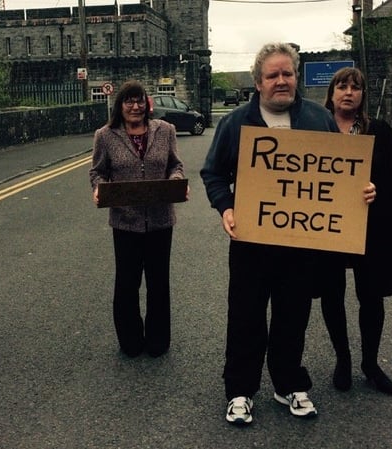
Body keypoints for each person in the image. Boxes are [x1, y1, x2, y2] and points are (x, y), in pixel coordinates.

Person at [200, 42, 376, 425]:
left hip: (301, 243)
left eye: (288, 73)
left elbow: (339, 174)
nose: (282, 81)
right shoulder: (235, 124)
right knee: (245, 317)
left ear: (296, 76)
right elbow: (213, 173)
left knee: (292, 316)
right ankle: (240, 392)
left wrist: (361, 191)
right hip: (251, 240)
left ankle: (289, 384)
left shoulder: (318, 119)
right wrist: (225, 207)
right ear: (258, 82)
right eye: (273, 75)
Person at [319, 66, 392, 395]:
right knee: (331, 293)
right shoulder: (317, 129)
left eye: (355, 88)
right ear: (331, 93)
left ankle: (370, 364)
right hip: (327, 226)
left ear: (362, 95)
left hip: (370, 225)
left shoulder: (379, 130)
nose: (348, 92)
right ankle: (342, 360)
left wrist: (379, 192)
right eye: (342, 86)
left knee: (371, 296)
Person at [89, 80, 187, 358]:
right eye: (129, 101)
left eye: (140, 100)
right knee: (127, 283)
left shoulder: (165, 130)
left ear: (148, 104)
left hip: (160, 220)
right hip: (125, 221)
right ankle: (130, 339)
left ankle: (158, 340)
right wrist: (99, 189)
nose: (135, 106)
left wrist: (177, 182)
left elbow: (175, 165)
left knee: (159, 282)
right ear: (120, 106)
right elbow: (97, 172)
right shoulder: (105, 135)